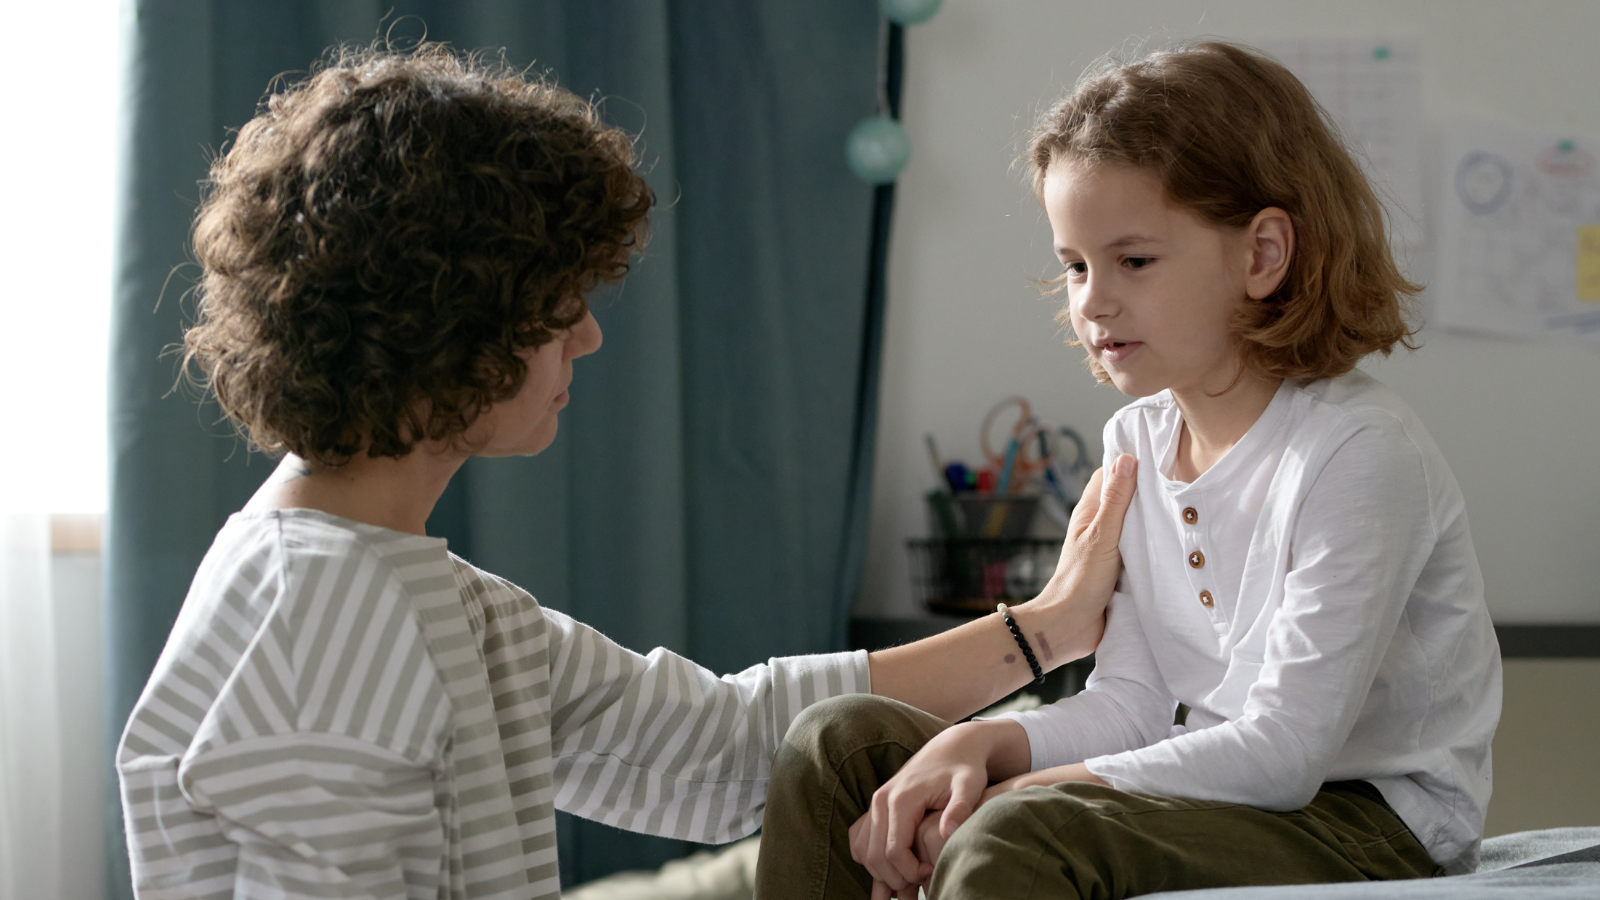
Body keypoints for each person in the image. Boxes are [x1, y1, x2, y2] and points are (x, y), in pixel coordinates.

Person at [114, 45, 1138, 900]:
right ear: (456, 316)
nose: (592, 339)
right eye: (563, 305)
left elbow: (722, 741)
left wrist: (1046, 629)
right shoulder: (325, 614)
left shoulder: (413, 591)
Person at [753, 41, 1501, 900]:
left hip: (1368, 823)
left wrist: (1023, 790)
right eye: (1075, 265)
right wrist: (981, 745)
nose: (1092, 300)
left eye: (1133, 261)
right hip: (1215, 787)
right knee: (835, 743)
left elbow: (1287, 753)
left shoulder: (1358, 452)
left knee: (1018, 837)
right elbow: (1135, 707)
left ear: (1262, 255)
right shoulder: (1135, 442)